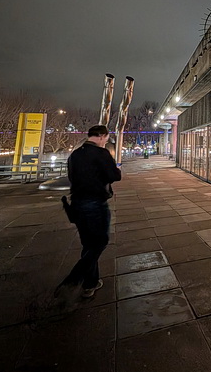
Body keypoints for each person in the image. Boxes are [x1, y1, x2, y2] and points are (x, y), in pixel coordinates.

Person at [58, 124, 121, 298]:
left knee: (88, 244)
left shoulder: (75, 155)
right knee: (100, 241)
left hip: (76, 204)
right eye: (106, 139)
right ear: (101, 136)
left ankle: (90, 284)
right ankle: (75, 277)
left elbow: (72, 177)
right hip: (95, 204)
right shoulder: (101, 154)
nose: (105, 142)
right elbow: (115, 176)